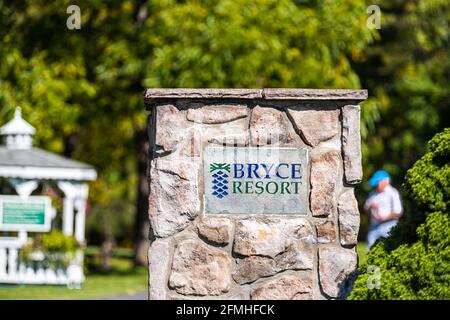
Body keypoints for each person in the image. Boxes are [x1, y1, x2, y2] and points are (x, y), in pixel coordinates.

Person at [364, 170, 403, 249]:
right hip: (374, 226)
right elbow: (366, 209)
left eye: (378, 182)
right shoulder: (373, 193)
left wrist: (383, 218)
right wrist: (370, 208)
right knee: (370, 250)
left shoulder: (393, 193)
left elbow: (398, 212)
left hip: (389, 225)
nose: (376, 185)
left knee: (389, 249)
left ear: (385, 181)